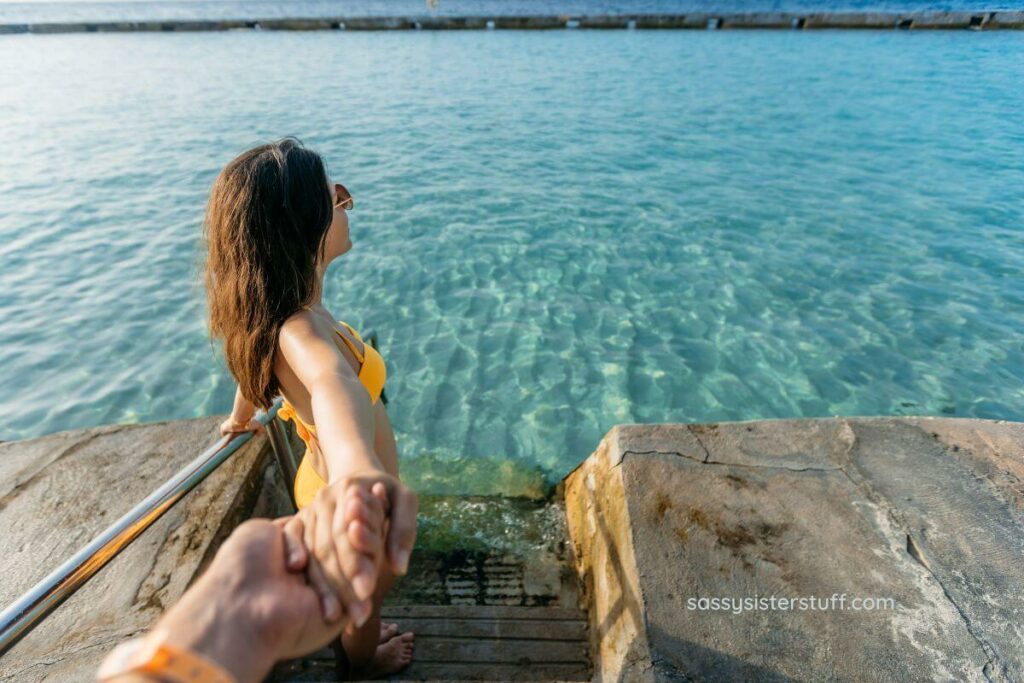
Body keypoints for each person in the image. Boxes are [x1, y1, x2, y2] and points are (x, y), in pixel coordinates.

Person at [204, 137, 417, 678]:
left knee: (356, 592)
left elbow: (257, 365)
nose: (348, 204)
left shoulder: (289, 314)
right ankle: (362, 663)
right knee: (361, 601)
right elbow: (330, 386)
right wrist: (359, 471)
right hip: (344, 492)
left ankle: (356, 645)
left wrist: (242, 418)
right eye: (336, 197)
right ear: (301, 227)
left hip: (330, 484)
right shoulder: (300, 331)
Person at [97, 518, 414, 682]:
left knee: (352, 603)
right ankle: (361, 663)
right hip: (338, 501)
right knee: (362, 599)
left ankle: (358, 652)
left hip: (321, 495)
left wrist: (241, 618)